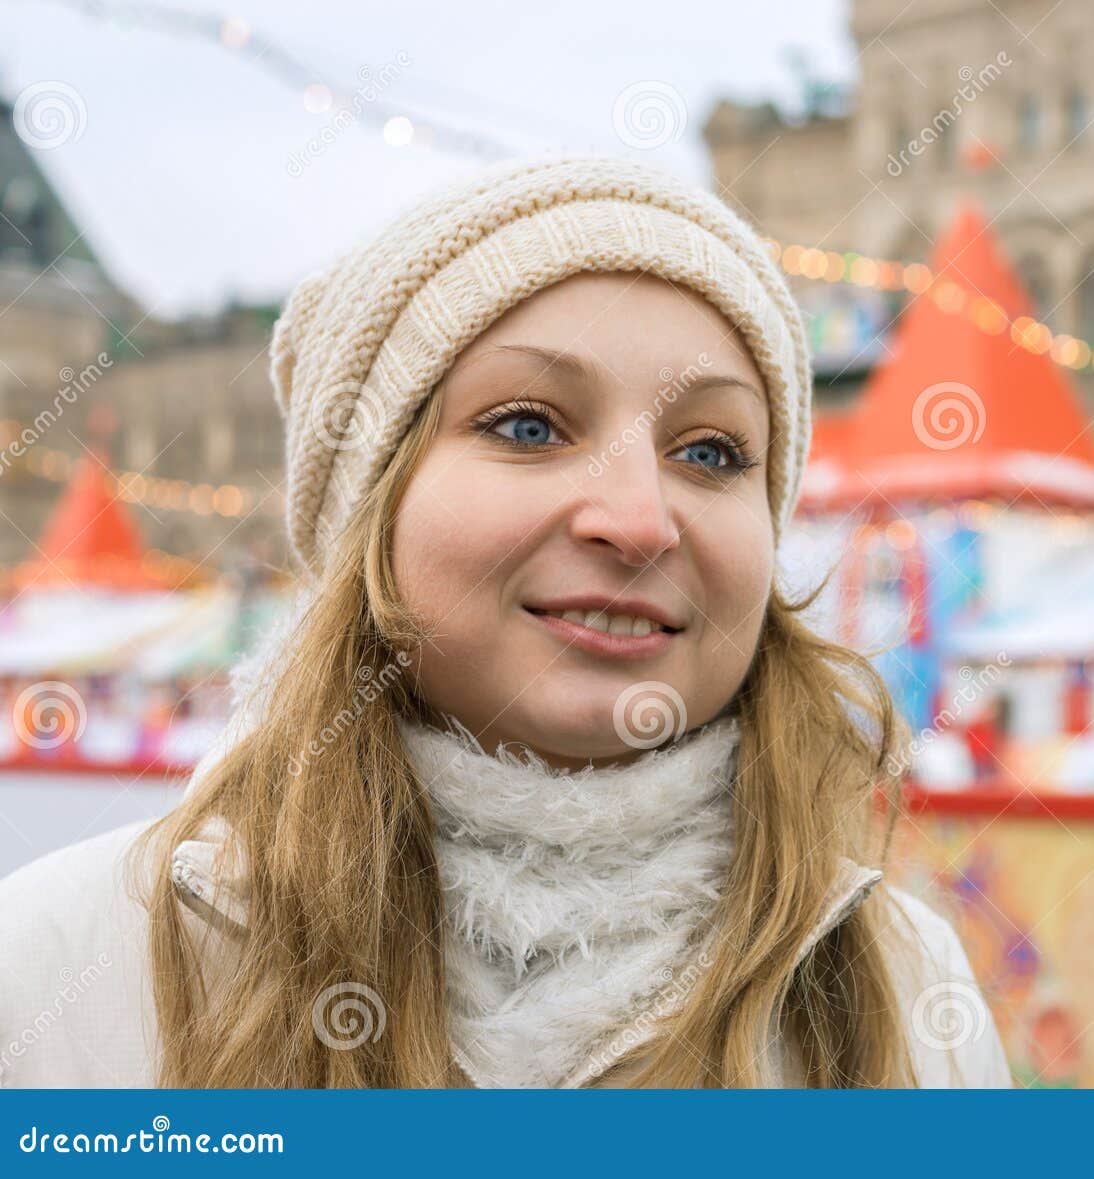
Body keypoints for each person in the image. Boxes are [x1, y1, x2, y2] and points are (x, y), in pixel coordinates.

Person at [0, 159, 1011, 1089]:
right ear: (373, 512)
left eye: (709, 453)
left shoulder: (909, 986)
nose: (639, 521)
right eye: (527, 426)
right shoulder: (61, 961)